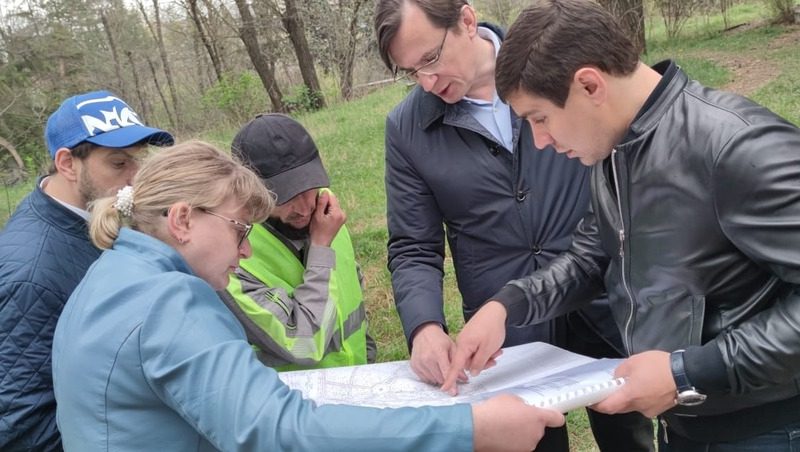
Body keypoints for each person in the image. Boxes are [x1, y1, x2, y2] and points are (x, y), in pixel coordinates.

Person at [445, 0, 800, 450]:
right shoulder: (616, 151)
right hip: (686, 427)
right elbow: (591, 259)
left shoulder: (736, 147)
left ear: (589, 84)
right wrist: (507, 307)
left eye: (540, 118)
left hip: (768, 431)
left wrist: (685, 371)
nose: (541, 141)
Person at [50, 140, 564, 451]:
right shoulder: (169, 302)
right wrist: (467, 429)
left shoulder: (109, 278)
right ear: (183, 219)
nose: (247, 251)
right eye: (238, 230)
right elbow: (273, 430)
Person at [373, 1, 654, 450]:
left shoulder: (550, 66)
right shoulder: (407, 129)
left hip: (603, 294)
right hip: (504, 330)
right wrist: (424, 325)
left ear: (466, 21)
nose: (427, 81)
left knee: (630, 433)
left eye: (430, 58)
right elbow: (413, 245)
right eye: (411, 72)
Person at [0, 90, 173, 451]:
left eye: (139, 160)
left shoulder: (96, 215)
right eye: (119, 163)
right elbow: (20, 424)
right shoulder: (33, 272)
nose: (136, 177)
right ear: (67, 164)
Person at [221, 113, 376, 370]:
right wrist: (320, 250)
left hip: (359, 380)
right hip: (298, 402)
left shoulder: (326, 210)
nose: (304, 208)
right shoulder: (234, 259)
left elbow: (351, 289)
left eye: (308, 186)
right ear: (249, 193)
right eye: (285, 196)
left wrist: (368, 360)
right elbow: (303, 344)